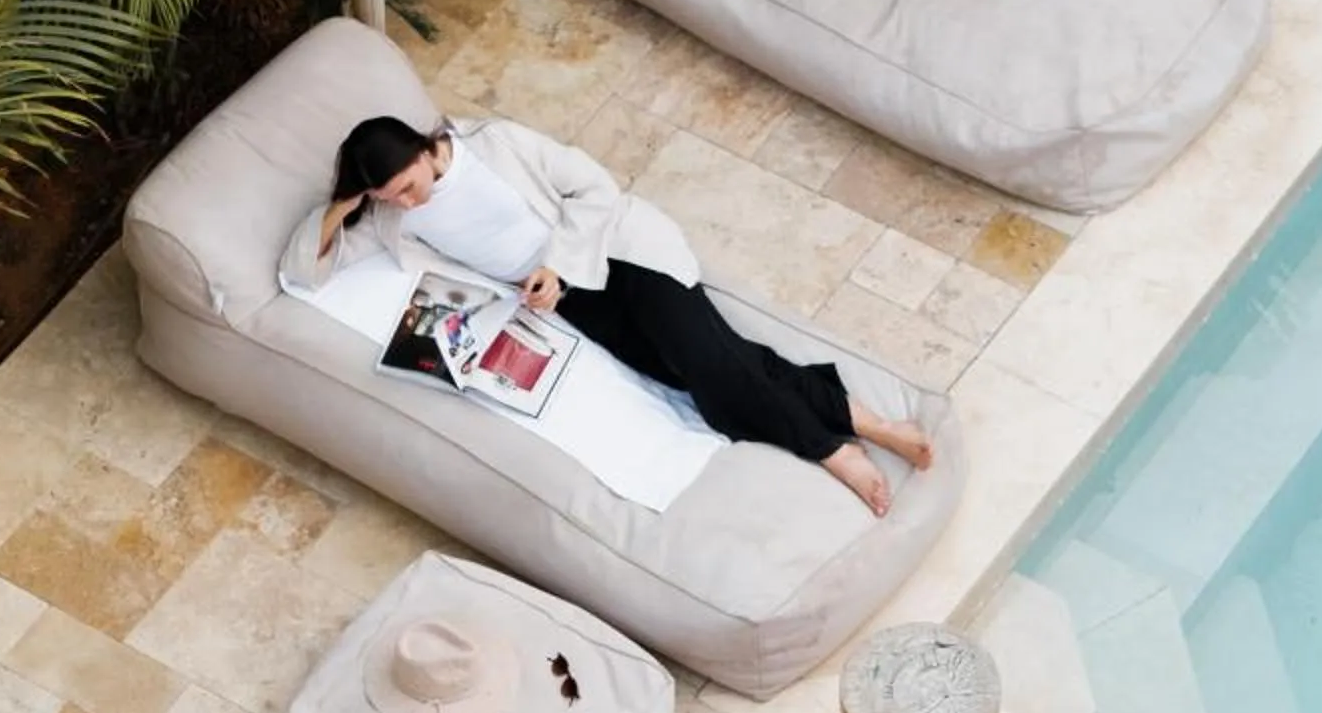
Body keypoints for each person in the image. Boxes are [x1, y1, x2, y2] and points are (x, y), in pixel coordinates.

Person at [290, 112, 934, 515]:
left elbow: (595, 185)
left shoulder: (497, 144)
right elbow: (302, 272)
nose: (408, 201)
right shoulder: (391, 218)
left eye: (409, 184)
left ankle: (831, 452)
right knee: (708, 369)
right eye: (390, 196)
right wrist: (342, 208)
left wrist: (558, 263)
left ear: (428, 150)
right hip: (570, 303)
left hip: (618, 255)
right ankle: (868, 421)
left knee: (709, 371)